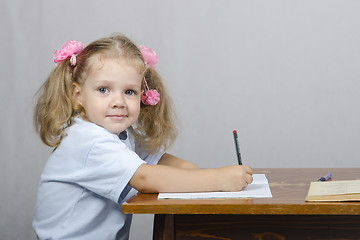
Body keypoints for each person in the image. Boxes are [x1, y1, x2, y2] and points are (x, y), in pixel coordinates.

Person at [32, 34, 253, 240]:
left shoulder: (118, 135)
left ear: (142, 95)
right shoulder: (89, 140)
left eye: (129, 92)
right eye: (103, 90)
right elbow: (145, 178)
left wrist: (195, 173)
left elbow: (158, 161)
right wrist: (217, 180)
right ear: (77, 95)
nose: (118, 101)